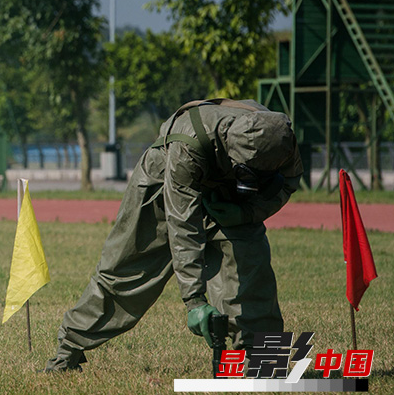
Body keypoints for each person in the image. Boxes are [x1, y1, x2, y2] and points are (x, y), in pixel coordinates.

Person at [44, 99, 303, 372]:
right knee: (126, 273)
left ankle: (264, 363)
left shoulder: (280, 137)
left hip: (229, 197)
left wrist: (247, 213)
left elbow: (288, 182)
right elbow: (184, 227)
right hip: (165, 178)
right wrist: (194, 301)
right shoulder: (188, 145)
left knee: (250, 270)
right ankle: (67, 351)